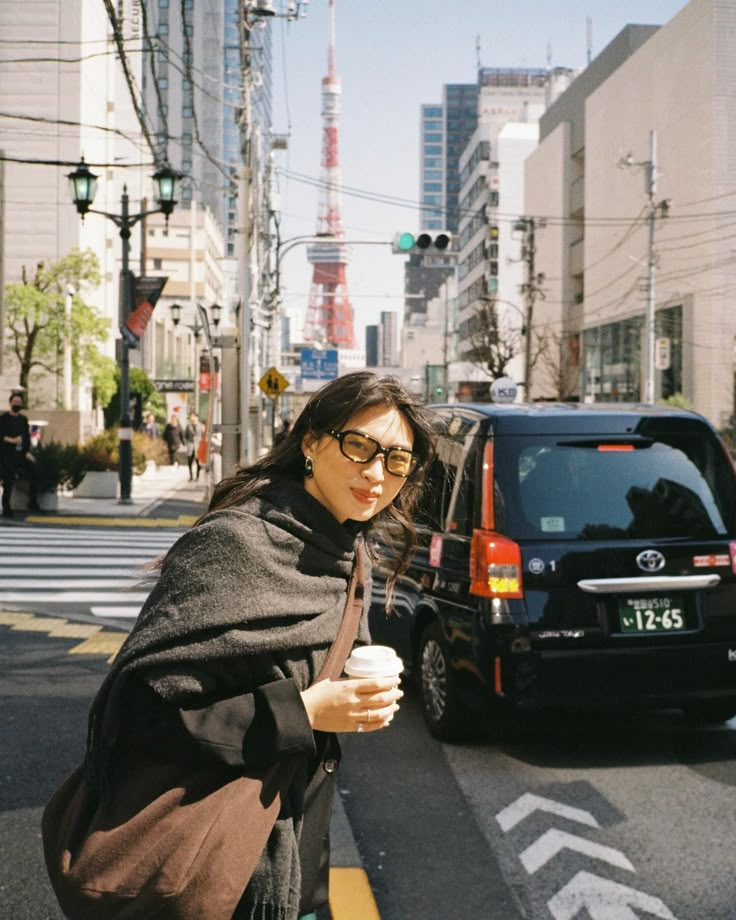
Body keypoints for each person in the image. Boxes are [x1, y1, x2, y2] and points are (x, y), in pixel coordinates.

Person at [80, 372, 435, 920]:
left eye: (396, 459)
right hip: (207, 865)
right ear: (313, 441)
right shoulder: (235, 544)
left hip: (295, 857)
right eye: (359, 445)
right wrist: (305, 712)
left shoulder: (347, 550)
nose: (375, 474)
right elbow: (134, 717)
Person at [0, 392, 39, 518]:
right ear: (10, 403)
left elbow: (26, 437)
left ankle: (32, 502)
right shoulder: (3, 419)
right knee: (8, 479)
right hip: (6, 455)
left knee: (35, 472)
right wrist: (12, 440)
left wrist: (27, 452)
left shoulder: (23, 419)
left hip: (21, 454)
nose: (17, 404)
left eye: (19, 402)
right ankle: (6, 506)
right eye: (15, 402)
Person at [184, 410, 205, 481]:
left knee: (198, 462)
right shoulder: (188, 426)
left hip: (198, 446)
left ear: (197, 417)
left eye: (193, 417)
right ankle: (191, 476)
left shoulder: (201, 426)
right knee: (189, 461)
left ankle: (197, 476)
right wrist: (187, 444)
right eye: (191, 417)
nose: (192, 418)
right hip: (190, 447)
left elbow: (204, 436)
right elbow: (185, 436)